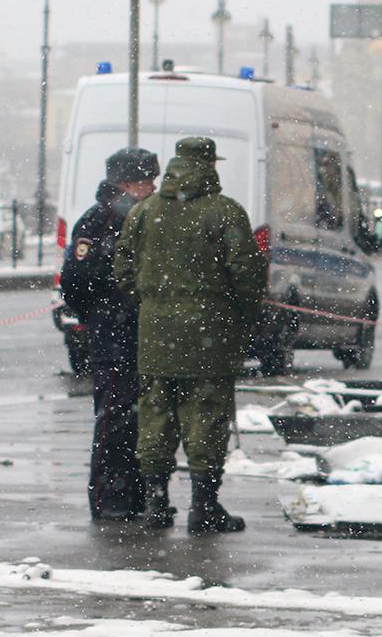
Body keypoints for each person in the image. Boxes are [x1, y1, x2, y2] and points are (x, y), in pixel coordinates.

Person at [111, 136, 267, 534]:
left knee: (155, 416)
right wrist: (240, 316)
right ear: (210, 165)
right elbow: (247, 275)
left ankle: (156, 502)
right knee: (207, 416)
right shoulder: (225, 213)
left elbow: (123, 270)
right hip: (209, 333)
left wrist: (152, 305)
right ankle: (204, 505)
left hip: (155, 333)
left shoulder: (145, 212)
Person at [61, 147, 158, 522]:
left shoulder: (131, 216)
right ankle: (111, 499)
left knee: (134, 420)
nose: (151, 187)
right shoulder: (99, 220)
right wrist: (104, 311)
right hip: (115, 333)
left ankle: (130, 496)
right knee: (115, 419)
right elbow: (77, 279)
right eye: (145, 180)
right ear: (127, 182)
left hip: (127, 330)